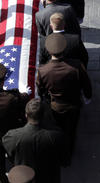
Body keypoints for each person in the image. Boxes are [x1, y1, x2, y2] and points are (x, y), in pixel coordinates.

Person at [36, 35, 92, 163]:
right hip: (74, 104)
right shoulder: (77, 66)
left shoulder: (43, 70)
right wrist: (88, 97)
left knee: (57, 130)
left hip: (55, 106)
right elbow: (86, 85)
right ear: (64, 49)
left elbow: (40, 89)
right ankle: (68, 155)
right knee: (71, 131)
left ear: (49, 52)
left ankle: (59, 154)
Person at [2, 98, 66, 183]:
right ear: (44, 116)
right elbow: (64, 160)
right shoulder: (57, 136)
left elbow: (11, 157)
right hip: (49, 182)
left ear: (26, 115)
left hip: (25, 181)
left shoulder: (11, 137)